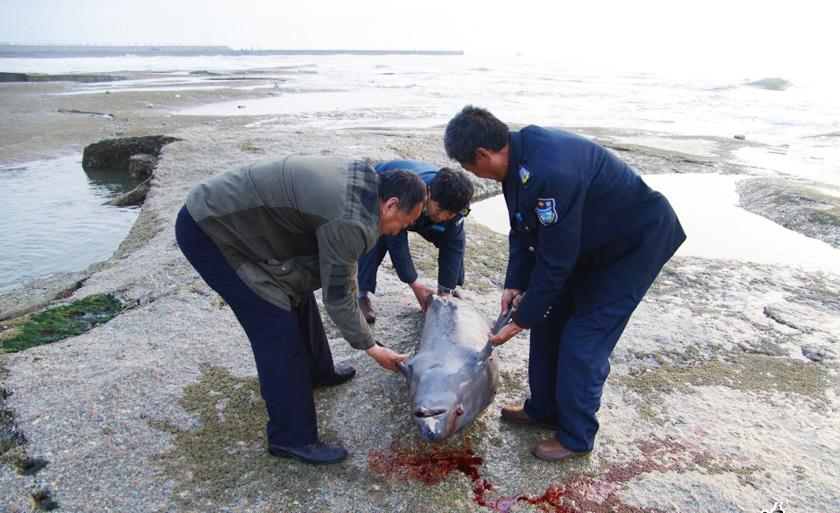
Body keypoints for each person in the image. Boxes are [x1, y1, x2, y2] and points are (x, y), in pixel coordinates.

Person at [444, 106, 686, 462]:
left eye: (469, 168)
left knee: (583, 339)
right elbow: (523, 229)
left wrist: (522, 318)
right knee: (550, 317)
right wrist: (515, 284)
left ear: (483, 154)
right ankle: (543, 409)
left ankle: (576, 436)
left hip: (632, 246)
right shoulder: (517, 162)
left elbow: (556, 260)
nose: (472, 174)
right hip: (588, 243)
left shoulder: (552, 170)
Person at [175, 155, 426, 465]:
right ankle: (290, 437)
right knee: (275, 326)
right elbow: (339, 295)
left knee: (296, 292)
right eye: (406, 221)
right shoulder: (351, 219)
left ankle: (318, 372)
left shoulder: (365, 182)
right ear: (389, 205)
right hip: (212, 229)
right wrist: (372, 347)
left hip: (244, 221)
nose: (400, 230)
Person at [357, 160, 473, 323]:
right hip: (384, 194)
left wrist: (446, 289)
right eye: (440, 210)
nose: (442, 217)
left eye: (449, 214)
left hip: (424, 214)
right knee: (380, 232)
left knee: (453, 237)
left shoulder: (458, 205)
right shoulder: (411, 192)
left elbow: (454, 244)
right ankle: (360, 294)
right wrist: (413, 282)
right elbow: (395, 240)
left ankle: (448, 291)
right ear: (430, 193)